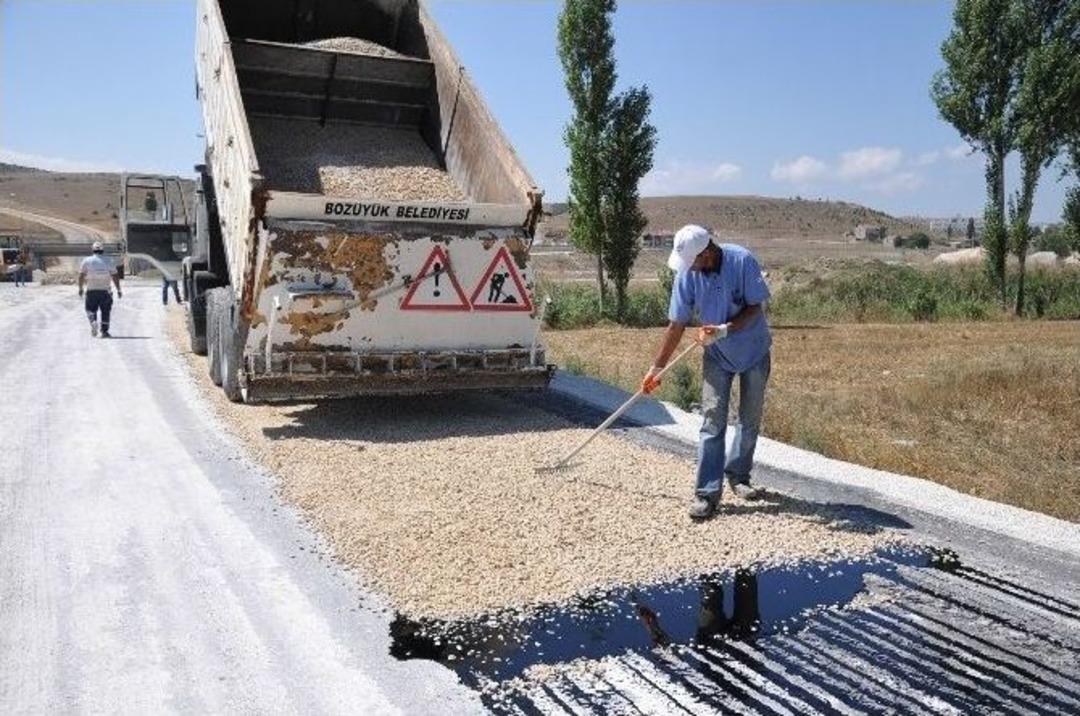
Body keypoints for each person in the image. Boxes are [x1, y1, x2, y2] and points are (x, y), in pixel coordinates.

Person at [643, 225, 772, 520]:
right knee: (712, 420)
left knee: (749, 419)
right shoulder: (687, 274)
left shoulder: (742, 261)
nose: (689, 269)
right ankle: (706, 494)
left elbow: (756, 306)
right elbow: (676, 324)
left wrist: (726, 329)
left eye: (694, 262)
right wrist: (657, 368)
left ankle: (739, 477)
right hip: (716, 355)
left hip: (753, 351)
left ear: (708, 252)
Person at [78, 242, 122, 338]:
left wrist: (80, 288)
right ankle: (104, 332)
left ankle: (93, 321)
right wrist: (118, 289)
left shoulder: (87, 260)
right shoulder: (109, 260)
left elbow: (81, 275)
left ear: (93, 250)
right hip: (105, 291)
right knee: (105, 311)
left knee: (90, 309)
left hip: (91, 290)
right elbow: (115, 276)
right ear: (102, 250)